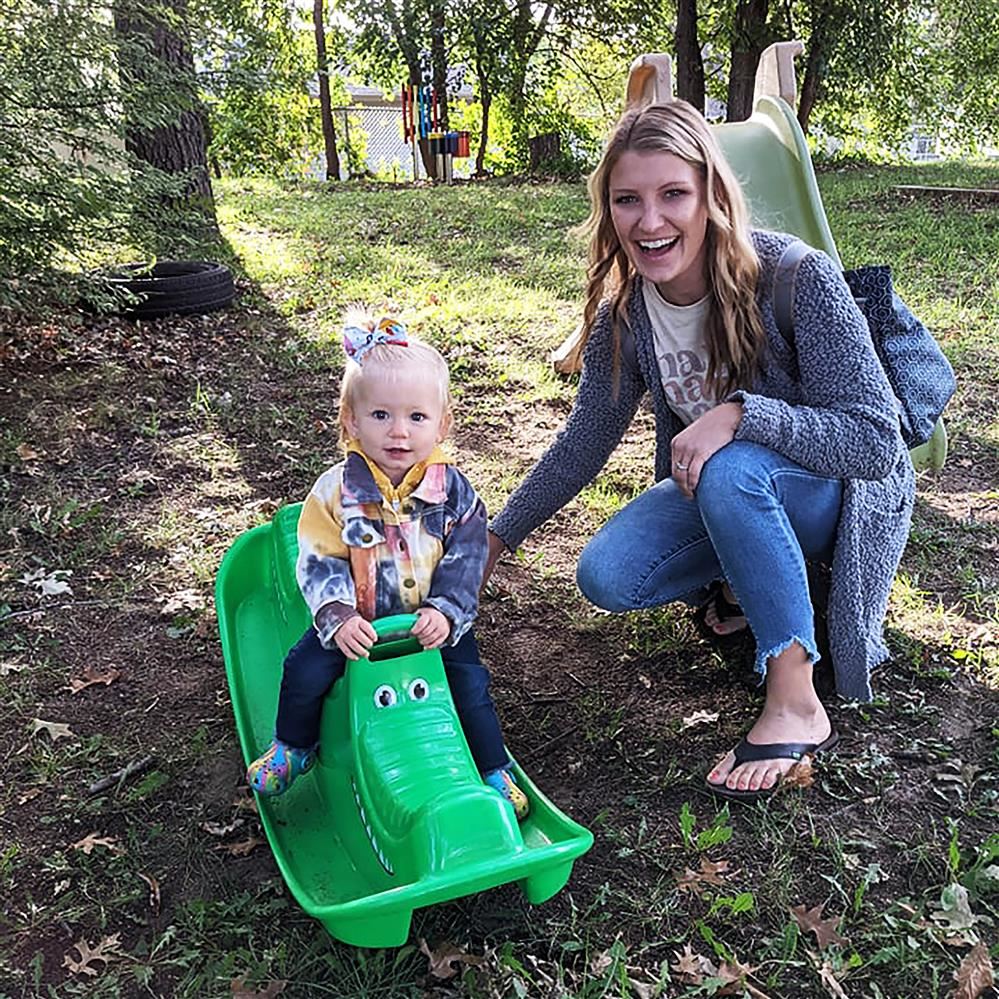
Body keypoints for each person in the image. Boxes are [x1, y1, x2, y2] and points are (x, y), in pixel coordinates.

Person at [484, 100, 915, 800]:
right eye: (627, 199)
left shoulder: (795, 278)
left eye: (672, 194)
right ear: (608, 210)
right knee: (609, 573)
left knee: (729, 463)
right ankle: (753, 582)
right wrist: (497, 539)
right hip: (731, 491)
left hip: (832, 493)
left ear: (711, 195)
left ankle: (795, 697)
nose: (649, 222)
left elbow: (874, 440)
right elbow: (583, 441)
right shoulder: (624, 314)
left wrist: (740, 413)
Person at [247, 315, 529, 819]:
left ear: (441, 425)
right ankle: (294, 745)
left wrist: (447, 611)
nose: (399, 431)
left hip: (431, 625)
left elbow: (467, 558)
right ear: (351, 420)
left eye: (417, 417)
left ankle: (492, 766)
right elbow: (319, 558)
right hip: (361, 623)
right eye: (380, 415)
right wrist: (338, 616)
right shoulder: (334, 493)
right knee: (305, 668)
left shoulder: (456, 493)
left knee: (469, 684)